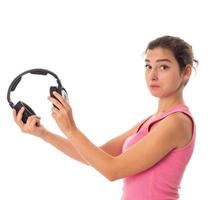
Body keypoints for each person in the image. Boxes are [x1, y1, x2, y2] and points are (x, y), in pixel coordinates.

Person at [12, 35, 198, 200]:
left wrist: (71, 129)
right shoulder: (153, 120)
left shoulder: (176, 122)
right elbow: (96, 156)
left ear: (186, 72)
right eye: (148, 66)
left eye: (163, 67)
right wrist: (44, 134)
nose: (152, 75)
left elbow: (112, 170)